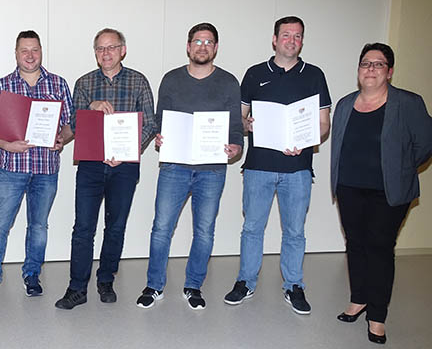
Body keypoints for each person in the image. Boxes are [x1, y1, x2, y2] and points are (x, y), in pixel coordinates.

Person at [223, 16, 331, 315]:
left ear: (302, 41)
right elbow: (239, 120)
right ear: (274, 39)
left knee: (295, 231)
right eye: (286, 35)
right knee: (252, 228)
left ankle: (294, 285)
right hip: (259, 166)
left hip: (297, 169)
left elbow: (324, 124)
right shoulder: (255, 73)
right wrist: (249, 125)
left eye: (297, 36)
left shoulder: (314, 75)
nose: (291, 40)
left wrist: (309, 137)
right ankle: (245, 281)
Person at [136, 23, 243, 310]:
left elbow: (235, 126)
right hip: (174, 166)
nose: (202, 46)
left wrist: (236, 147)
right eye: (197, 41)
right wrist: (160, 137)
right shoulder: (171, 79)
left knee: (204, 231)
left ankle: (193, 285)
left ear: (216, 48)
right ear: (188, 46)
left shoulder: (229, 82)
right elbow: (161, 119)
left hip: (212, 169)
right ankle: (154, 285)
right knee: (161, 228)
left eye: (209, 42)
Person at [330, 42, 432, 344]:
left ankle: (377, 315)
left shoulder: (408, 103)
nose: (370, 69)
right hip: (349, 187)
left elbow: (425, 144)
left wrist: (400, 167)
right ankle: (358, 298)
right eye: (365, 63)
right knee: (356, 244)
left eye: (378, 64)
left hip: (387, 191)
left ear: (389, 71)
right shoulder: (346, 104)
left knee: (379, 248)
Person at [55, 28, 156, 310]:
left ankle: (105, 279)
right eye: (100, 48)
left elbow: (150, 123)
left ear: (123, 50)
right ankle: (77, 288)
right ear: (95, 53)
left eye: (112, 47)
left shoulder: (138, 81)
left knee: (115, 227)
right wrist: (91, 105)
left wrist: (126, 153)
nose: (106, 53)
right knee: (83, 228)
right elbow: (74, 121)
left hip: (124, 167)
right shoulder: (84, 83)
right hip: (90, 165)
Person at [0, 30, 74, 299]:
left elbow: (69, 125)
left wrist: (61, 139)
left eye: (35, 50)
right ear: (16, 53)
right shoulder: (2, 86)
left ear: (41, 51)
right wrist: (6, 144)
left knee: (39, 226)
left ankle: (32, 274)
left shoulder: (58, 84)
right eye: (24, 50)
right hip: (11, 167)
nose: (30, 56)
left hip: (46, 168)